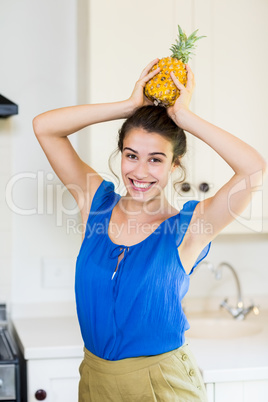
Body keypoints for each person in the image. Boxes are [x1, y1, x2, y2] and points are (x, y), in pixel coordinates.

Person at [33, 59, 266, 402]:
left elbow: (252, 169)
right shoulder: (96, 204)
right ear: (121, 156)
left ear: (175, 165)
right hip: (95, 381)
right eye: (132, 155)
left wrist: (185, 118)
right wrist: (127, 107)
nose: (140, 171)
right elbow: (44, 127)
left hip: (163, 385)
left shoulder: (190, 227)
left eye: (156, 159)